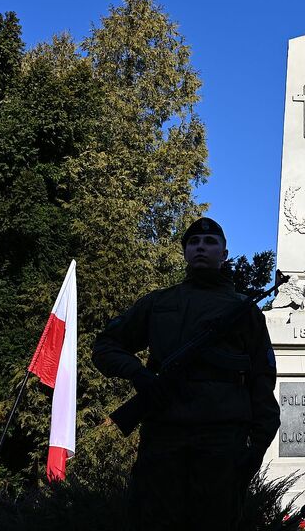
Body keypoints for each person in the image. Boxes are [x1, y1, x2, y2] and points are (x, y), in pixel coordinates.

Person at [92, 217, 280, 529]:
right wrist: (138, 374)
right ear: (185, 252)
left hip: (222, 439)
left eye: (210, 243)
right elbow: (106, 346)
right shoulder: (158, 303)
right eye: (193, 243)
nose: (201, 248)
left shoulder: (245, 311)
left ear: (224, 253)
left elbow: (263, 378)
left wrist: (258, 444)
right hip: (164, 435)